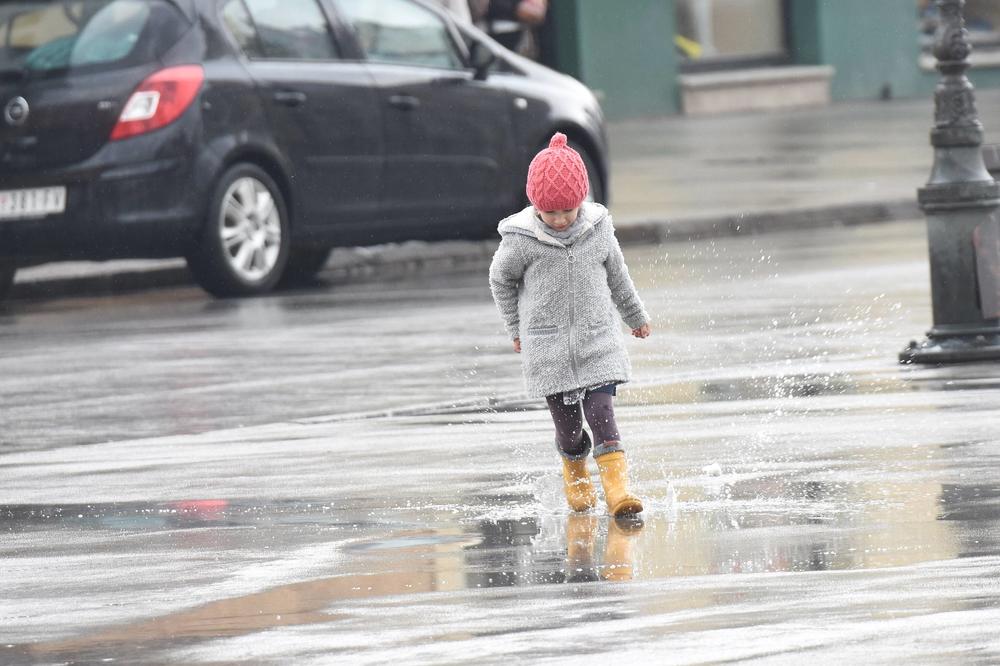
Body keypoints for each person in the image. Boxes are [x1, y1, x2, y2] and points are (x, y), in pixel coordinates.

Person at [489, 133, 651, 517]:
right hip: (548, 350)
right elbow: (501, 280)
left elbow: (617, 275)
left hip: (598, 341)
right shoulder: (520, 241)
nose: (560, 220)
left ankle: (618, 492)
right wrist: (516, 328)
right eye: (551, 213)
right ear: (535, 205)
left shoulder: (598, 229)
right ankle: (575, 472)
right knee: (570, 428)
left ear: (581, 201)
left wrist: (635, 316)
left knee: (601, 412)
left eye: (568, 211)